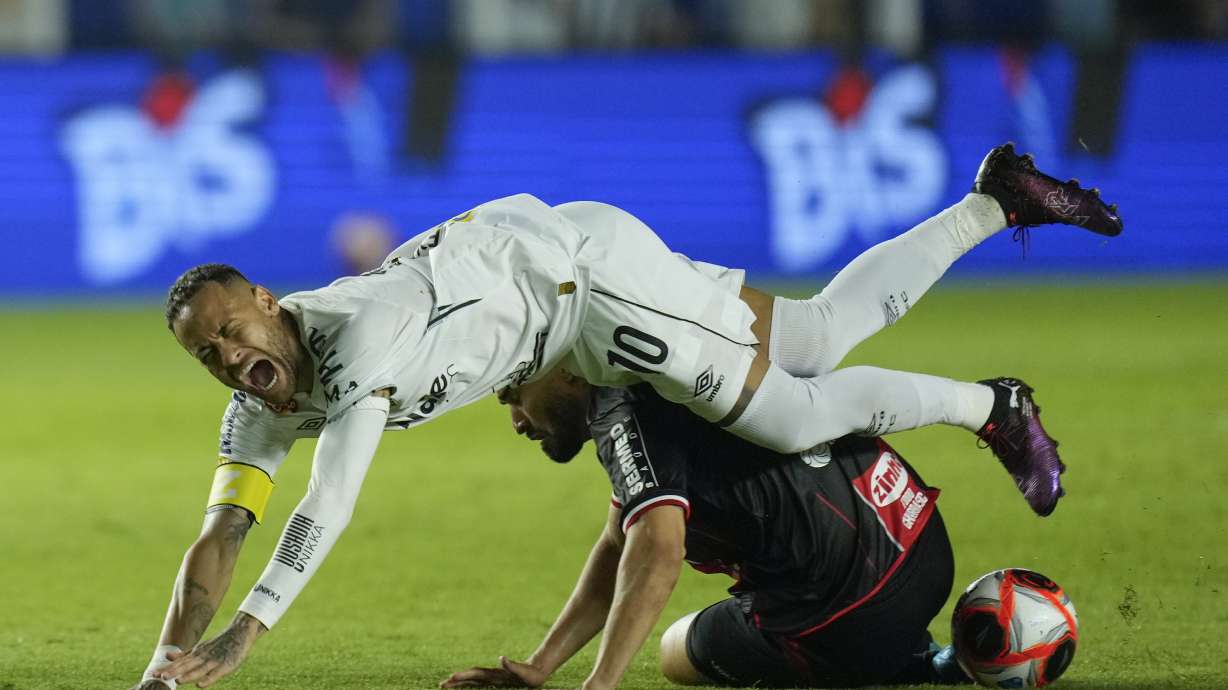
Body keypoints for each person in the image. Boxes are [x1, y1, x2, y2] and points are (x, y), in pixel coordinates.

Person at [135, 144, 1119, 688]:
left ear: (266, 300)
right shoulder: (256, 395)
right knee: (814, 332)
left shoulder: (357, 338)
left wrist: (246, 638)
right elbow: (221, 532)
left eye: (230, 330)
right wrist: (158, 672)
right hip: (565, 270)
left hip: (587, 293)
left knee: (784, 415)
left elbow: (332, 494)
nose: (228, 359)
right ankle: (995, 202)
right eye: (207, 355)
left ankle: (990, 405)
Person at [444, 367, 972, 689]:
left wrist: (600, 683)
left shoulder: (619, 409)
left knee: (678, 649)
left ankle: (903, 659)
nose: (516, 420)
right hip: (920, 539)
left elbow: (658, 550)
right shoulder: (667, 349)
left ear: (569, 371)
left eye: (514, 395)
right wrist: (541, 665)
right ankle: (924, 648)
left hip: (850, 617)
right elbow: (618, 540)